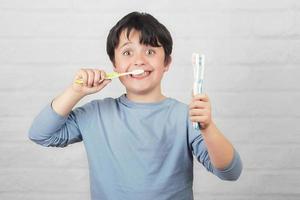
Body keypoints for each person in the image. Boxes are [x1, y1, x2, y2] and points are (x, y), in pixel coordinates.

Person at [28, 11, 242, 200]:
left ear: (166, 62)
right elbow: (41, 134)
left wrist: (208, 127)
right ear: (114, 64)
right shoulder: (95, 113)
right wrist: (75, 91)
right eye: (127, 52)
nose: (139, 60)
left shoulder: (186, 117)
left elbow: (230, 172)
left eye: (150, 51)